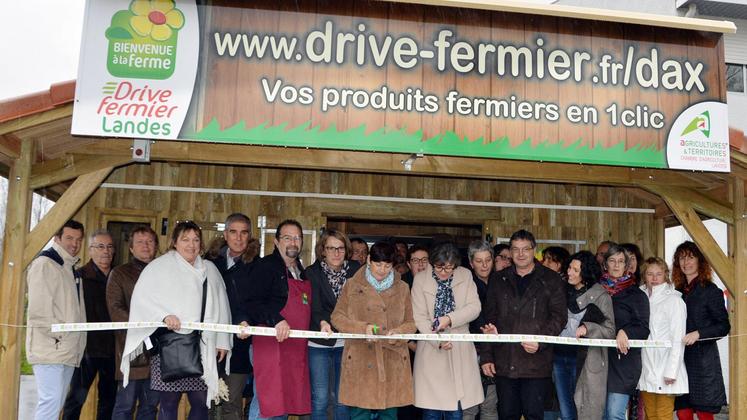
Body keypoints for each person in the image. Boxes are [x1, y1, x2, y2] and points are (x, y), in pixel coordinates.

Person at [120, 221, 232, 420]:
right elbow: (143, 301)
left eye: (196, 240)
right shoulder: (159, 267)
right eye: (185, 239)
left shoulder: (210, 269)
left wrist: (222, 340)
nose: (191, 245)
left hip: (202, 348)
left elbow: (221, 306)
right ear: (174, 242)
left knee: (200, 403)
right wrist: (163, 316)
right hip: (169, 347)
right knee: (168, 404)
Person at [480, 229, 567, 420]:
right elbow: (488, 319)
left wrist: (540, 341)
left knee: (533, 414)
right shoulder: (498, 279)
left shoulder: (551, 280)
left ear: (534, 250)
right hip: (504, 361)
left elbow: (559, 318)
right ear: (510, 252)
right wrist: (486, 356)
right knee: (506, 414)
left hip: (536, 363)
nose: (520, 254)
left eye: (525, 249)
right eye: (515, 249)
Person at [331, 241, 417, 420]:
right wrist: (362, 328)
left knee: (389, 414)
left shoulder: (403, 288)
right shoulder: (352, 285)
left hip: (392, 358)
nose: (382, 270)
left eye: (387, 265)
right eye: (378, 264)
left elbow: (411, 323)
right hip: (361, 357)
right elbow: (337, 318)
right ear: (369, 260)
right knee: (359, 414)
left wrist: (399, 333)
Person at [244, 219, 311, 419]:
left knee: (284, 402)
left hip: (294, 348)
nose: (293, 242)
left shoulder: (301, 271)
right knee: (266, 400)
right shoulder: (265, 266)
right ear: (276, 241)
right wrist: (276, 320)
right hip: (269, 344)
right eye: (287, 237)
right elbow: (252, 302)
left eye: (297, 238)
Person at [411, 242, 483, 419]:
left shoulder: (465, 275)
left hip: (459, 347)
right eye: (439, 267)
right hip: (431, 348)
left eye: (450, 268)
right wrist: (437, 340)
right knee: (431, 412)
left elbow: (474, 307)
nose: (444, 272)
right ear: (432, 263)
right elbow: (419, 317)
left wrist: (449, 319)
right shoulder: (420, 279)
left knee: (456, 411)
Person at [26, 220, 87, 420]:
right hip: (51, 350)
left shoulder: (69, 267)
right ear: (56, 238)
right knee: (50, 403)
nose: (74, 244)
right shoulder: (45, 264)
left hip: (67, 350)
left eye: (78, 239)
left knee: (56, 404)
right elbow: (39, 312)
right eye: (69, 238)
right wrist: (61, 338)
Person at [205, 213, 260, 420]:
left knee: (232, 402)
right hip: (210, 341)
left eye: (243, 233)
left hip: (240, 344)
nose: (238, 238)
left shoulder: (257, 266)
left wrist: (246, 320)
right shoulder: (209, 262)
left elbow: (259, 302)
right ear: (225, 234)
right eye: (233, 232)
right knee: (210, 400)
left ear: (249, 236)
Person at [62, 230, 117, 420]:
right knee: (75, 400)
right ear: (90, 250)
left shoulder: (118, 277)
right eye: (100, 246)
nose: (106, 251)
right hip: (86, 350)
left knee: (109, 401)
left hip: (112, 350)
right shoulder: (78, 277)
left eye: (110, 247)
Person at [306, 229, 361, 420]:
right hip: (318, 343)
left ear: (346, 250)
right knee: (320, 399)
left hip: (346, 344)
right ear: (322, 251)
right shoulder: (311, 273)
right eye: (331, 248)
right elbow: (313, 306)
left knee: (342, 399)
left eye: (340, 248)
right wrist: (323, 322)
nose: (336, 253)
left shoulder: (356, 271)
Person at [107, 226, 161, 420]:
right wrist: (143, 325)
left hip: (158, 353)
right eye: (139, 242)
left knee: (150, 408)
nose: (145, 246)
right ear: (131, 248)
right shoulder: (119, 274)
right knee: (124, 407)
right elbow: (115, 309)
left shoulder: (164, 273)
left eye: (149, 242)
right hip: (131, 351)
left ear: (156, 246)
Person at [672, 241, 730, 420]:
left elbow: (723, 326)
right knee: (683, 411)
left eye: (691, 257)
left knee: (705, 412)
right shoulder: (677, 292)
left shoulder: (710, 290)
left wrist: (699, 334)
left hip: (703, 362)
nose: (686, 262)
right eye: (682, 258)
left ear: (700, 261)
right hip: (680, 359)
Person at [600, 243, 650, 420]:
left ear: (626, 265)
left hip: (624, 363)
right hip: (598, 361)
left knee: (614, 414)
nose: (616, 265)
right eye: (612, 260)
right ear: (605, 264)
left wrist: (625, 332)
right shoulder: (597, 291)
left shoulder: (636, 295)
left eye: (621, 261)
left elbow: (643, 327)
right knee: (602, 415)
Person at [565, 251, 615, 420]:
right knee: (565, 412)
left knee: (587, 411)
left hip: (588, 360)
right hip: (560, 359)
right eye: (569, 268)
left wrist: (589, 328)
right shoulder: (561, 292)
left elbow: (610, 330)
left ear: (585, 273)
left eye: (575, 270)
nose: (569, 272)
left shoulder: (601, 296)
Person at [637, 257, 688, 420]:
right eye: (650, 274)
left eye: (658, 274)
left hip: (665, 364)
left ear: (666, 275)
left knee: (663, 415)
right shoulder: (639, 297)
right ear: (644, 275)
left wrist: (671, 370)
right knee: (651, 414)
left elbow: (678, 338)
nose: (654, 278)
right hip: (645, 365)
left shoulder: (674, 300)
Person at [464, 241, 498, 420]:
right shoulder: (463, 284)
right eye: (479, 261)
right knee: (469, 408)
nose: (484, 265)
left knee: (490, 404)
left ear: (493, 260)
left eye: (488, 260)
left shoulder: (502, 282)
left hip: (495, 351)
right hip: (470, 351)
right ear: (471, 263)